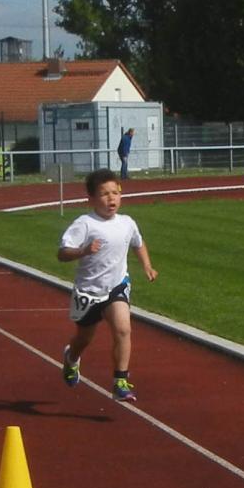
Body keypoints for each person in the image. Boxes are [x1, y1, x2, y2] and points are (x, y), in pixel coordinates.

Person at [58, 168, 157, 401]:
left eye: (115, 193)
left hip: (117, 285)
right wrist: (83, 251)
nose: (111, 198)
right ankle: (71, 358)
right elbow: (62, 253)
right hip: (89, 290)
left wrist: (147, 265)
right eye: (104, 194)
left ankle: (120, 381)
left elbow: (138, 243)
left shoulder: (127, 222)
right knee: (84, 338)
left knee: (123, 329)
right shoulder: (85, 224)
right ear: (91, 198)